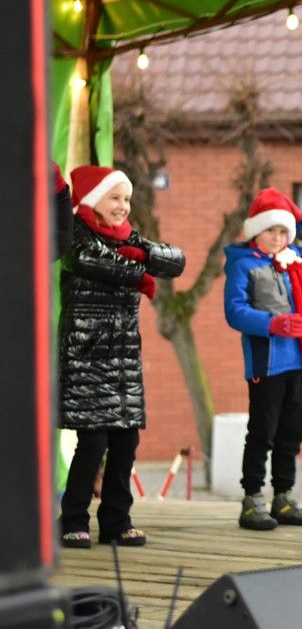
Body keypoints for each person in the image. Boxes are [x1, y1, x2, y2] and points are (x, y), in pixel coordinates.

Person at [58, 166, 185, 548]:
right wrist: (141, 270)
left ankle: (116, 520)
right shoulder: (74, 235)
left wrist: (140, 251)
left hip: (125, 357)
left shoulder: (129, 237)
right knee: (93, 443)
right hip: (88, 355)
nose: (123, 206)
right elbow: (93, 262)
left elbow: (175, 261)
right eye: (114, 197)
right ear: (93, 199)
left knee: (126, 442)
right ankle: (73, 520)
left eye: (126, 199)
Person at [224, 187, 302, 531]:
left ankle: (283, 497)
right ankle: (252, 499)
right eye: (271, 229)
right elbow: (234, 312)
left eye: (284, 230)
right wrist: (274, 323)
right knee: (262, 433)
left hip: (300, 361)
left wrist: (299, 216)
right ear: (256, 230)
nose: (278, 237)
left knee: (291, 433)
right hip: (266, 364)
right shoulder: (243, 264)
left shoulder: (295, 259)